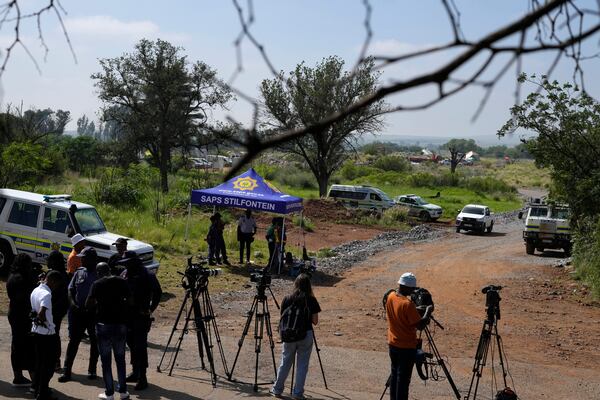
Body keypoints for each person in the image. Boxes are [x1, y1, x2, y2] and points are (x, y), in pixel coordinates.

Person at [271, 274, 321, 399]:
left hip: (288, 334)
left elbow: (282, 316)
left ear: (296, 284)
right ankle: (298, 393)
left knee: (285, 362)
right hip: (305, 334)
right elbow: (315, 321)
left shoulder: (287, 298)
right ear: (308, 286)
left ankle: (277, 389)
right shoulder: (310, 299)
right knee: (302, 365)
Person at [385, 272, 433, 400]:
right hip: (406, 347)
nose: (413, 292)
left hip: (393, 344)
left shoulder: (390, 296)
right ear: (406, 287)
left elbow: (401, 315)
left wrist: (415, 311)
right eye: (412, 289)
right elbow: (420, 326)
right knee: (403, 381)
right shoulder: (407, 304)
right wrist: (428, 310)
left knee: (395, 375)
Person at [86, 262, 131, 400]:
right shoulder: (121, 282)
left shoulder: (97, 284)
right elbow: (130, 300)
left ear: (99, 273)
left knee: (106, 360)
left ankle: (109, 393)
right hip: (120, 324)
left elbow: (88, 303)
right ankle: (123, 391)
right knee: (120, 359)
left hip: (103, 324)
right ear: (109, 270)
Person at [119, 251, 162, 391]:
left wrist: (150, 309)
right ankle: (135, 371)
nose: (125, 265)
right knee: (131, 343)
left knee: (140, 347)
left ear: (134, 262)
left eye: (127, 263)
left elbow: (158, 292)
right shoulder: (125, 273)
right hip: (127, 315)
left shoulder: (147, 274)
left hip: (140, 316)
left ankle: (142, 377)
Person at [59, 246, 100, 382]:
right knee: (74, 342)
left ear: (93, 260)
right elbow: (70, 290)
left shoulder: (100, 274)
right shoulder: (79, 272)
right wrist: (73, 304)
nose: (81, 261)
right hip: (78, 312)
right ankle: (67, 370)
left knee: (95, 342)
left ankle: (92, 370)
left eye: (84, 258)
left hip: (93, 314)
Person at [30, 270, 62, 400]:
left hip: (36, 332)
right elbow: (42, 313)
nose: (56, 287)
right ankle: (42, 393)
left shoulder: (35, 290)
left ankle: (37, 388)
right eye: (57, 284)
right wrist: (43, 319)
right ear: (52, 281)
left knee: (39, 362)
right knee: (48, 365)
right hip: (47, 334)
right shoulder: (47, 294)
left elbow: (34, 310)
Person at [6, 254, 36, 388]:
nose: (30, 267)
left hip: (14, 313)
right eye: (29, 265)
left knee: (16, 345)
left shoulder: (12, 276)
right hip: (22, 316)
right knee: (28, 346)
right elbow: (24, 297)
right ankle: (33, 380)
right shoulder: (21, 279)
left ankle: (18, 376)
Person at [46, 249, 69, 372]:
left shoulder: (60, 276)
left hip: (55, 311)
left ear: (54, 261)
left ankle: (56, 361)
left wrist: (52, 310)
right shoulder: (55, 273)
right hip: (53, 311)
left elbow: (61, 297)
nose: (47, 261)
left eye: (49, 259)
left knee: (54, 336)